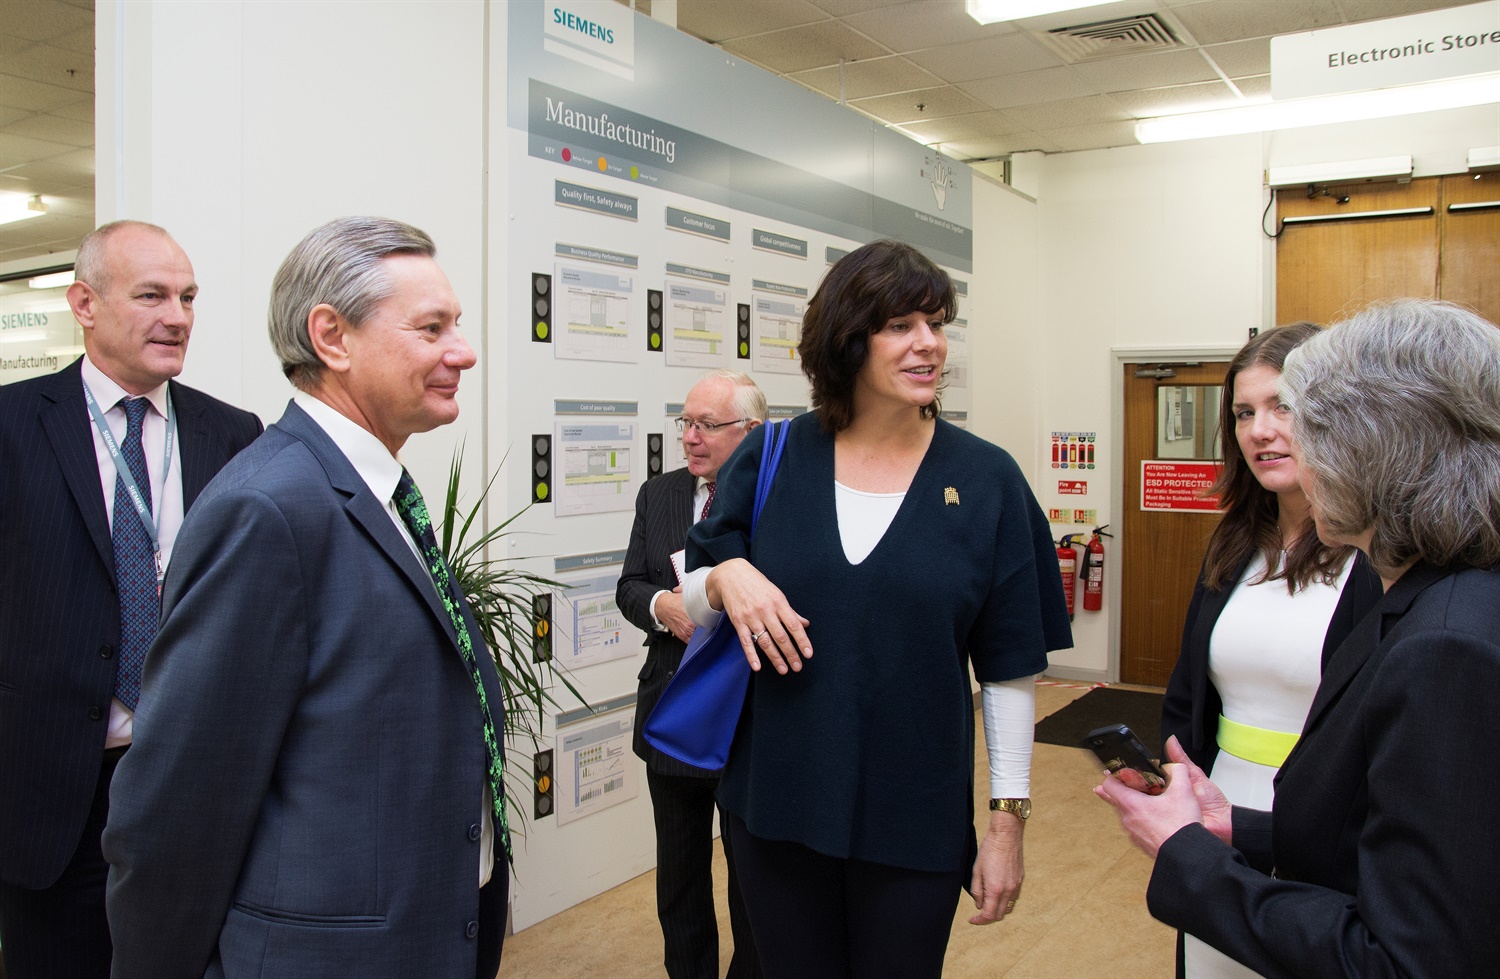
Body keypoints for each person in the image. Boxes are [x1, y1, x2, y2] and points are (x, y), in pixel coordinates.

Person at [103, 217, 508, 979]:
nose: (464, 350)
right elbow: (176, 806)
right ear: (332, 336)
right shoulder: (268, 508)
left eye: (456, 325)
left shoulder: (370, 485)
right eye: (432, 328)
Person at [680, 240, 1071, 978]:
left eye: (936, 322)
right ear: (847, 340)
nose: (929, 343)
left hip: (915, 814)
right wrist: (730, 575)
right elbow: (694, 592)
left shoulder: (987, 480)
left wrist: (1006, 821)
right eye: (900, 324)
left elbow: (1011, 667)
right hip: (777, 806)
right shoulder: (772, 457)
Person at [1098, 298, 1500, 977]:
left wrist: (1189, 856)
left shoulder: (1444, 645)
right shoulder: (1450, 595)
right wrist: (1235, 828)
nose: (1280, 442)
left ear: (1377, 446)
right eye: (1247, 413)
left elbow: (1405, 958)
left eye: (1304, 421)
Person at [0, 221, 262, 979]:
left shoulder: (232, 433)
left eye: (187, 297)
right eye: (152, 295)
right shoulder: (14, 424)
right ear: (85, 302)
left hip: (191, 779)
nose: (177, 316)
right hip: (53, 794)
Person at [1159, 324, 1382, 977]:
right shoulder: (1233, 546)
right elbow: (1187, 693)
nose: (1260, 429)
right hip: (1219, 808)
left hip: (1330, 826)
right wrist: (1175, 785)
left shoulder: (1377, 556)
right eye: (1244, 412)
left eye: (1283, 405)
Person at [619, 369, 765, 979]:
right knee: (678, 877)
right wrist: (663, 608)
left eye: (707, 425)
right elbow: (630, 586)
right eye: (686, 423)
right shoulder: (660, 494)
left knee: (753, 883)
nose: (691, 437)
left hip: (746, 720)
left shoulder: (777, 499)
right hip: (672, 714)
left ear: (751, 432)